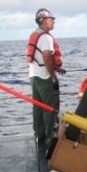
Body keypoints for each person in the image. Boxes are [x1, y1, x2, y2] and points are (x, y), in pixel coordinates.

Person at [26, 8, 66, 147]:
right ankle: (51, 140)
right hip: (44, 77)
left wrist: (56, 67)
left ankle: (39, 134)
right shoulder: (46, 38)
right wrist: (53, 76)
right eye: (51, 19)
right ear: (43, 21)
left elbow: (39, 59)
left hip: (34, 76)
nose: (54, 21)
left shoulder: (35, 34)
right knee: (50, 108)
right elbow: (46, 57)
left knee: (38, 106)